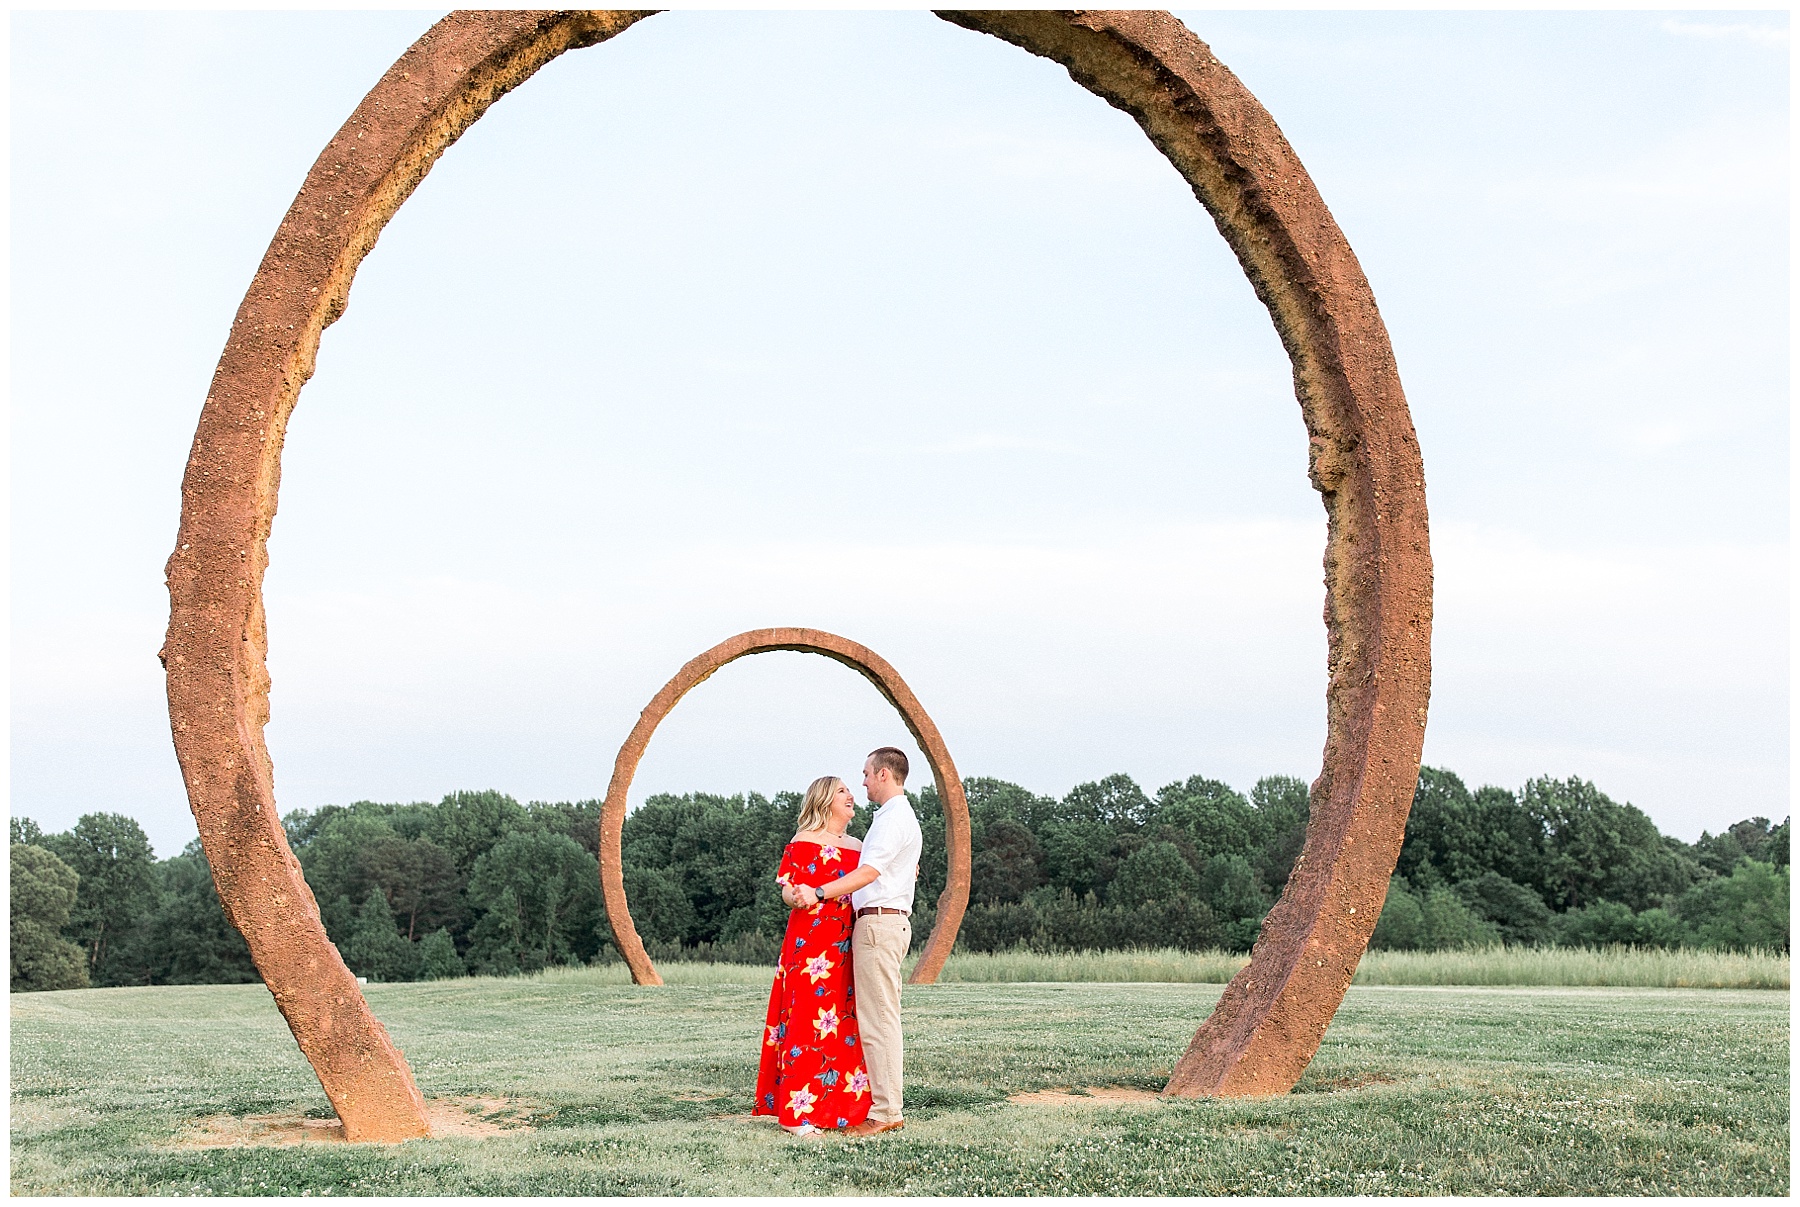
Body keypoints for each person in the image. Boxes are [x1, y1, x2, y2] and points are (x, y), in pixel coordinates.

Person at [791, 747, 920, 1137]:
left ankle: (885, 1112)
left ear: (883, 774)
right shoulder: (894, 818)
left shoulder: (892, 819)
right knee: (878, 1018)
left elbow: (867, 872)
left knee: (879, 1021)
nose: (862, 782)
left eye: (865, 774)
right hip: (880, 925)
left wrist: (819, 892)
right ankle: (880, 1105)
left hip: (879, 927)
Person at [752, 775, 873, 1136]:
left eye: (851, 789)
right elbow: (787, 892)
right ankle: (796, 1115)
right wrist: (799, 896)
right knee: (807, 1019)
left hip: (847, 941)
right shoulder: (803, 841)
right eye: (842, 791)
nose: (851, 795)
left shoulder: (859, 845)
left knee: (844, 1020)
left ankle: (843, 1108)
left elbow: (873, 877)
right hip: (810, 943)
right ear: (824, 800)